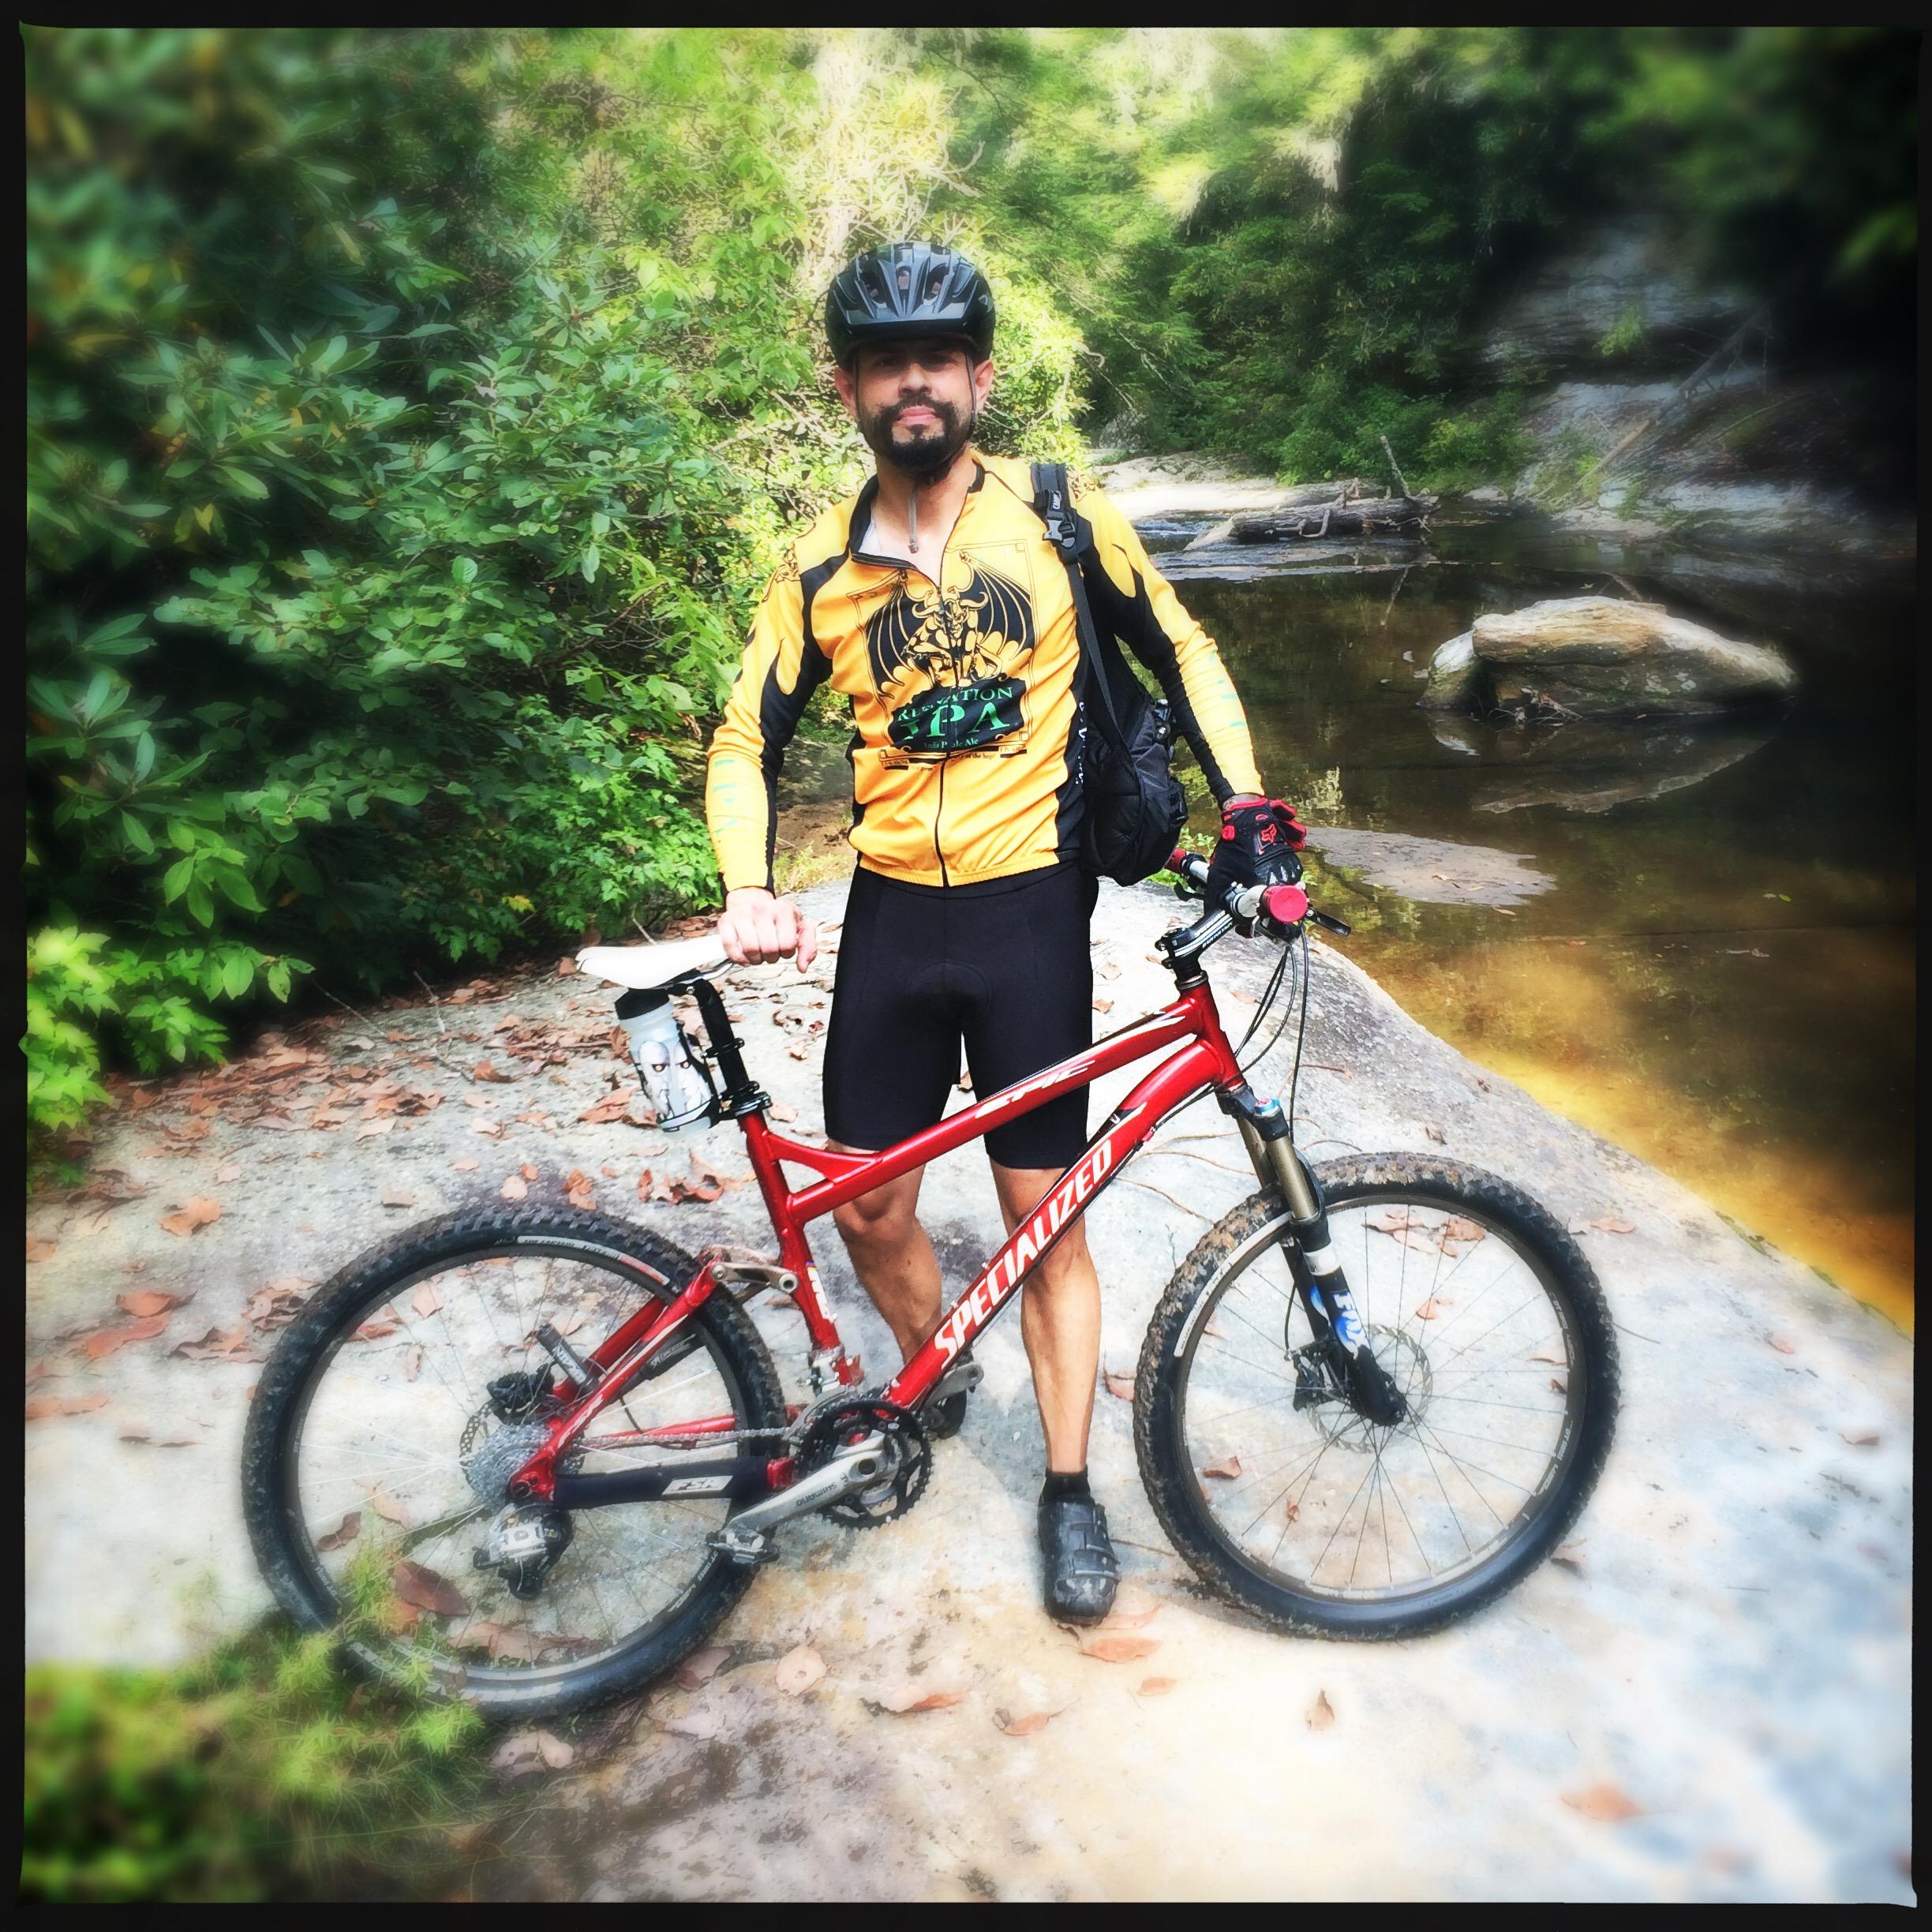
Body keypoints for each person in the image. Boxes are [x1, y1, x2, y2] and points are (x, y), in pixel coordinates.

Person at [703, 240, 1305, 1623]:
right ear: (849, 389)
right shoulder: (818, 569)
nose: (913, 383)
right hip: (891, 920)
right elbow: (745, 737)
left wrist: (1249, 805)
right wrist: (746, 884)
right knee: (871, 1209)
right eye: (884, 363)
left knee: (1045, 1223)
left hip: (1031, 912)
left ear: (977, 376)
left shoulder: (1060, 516)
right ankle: (937, 1363)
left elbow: (1183, 648)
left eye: (938, 358)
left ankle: (1070, 1490)